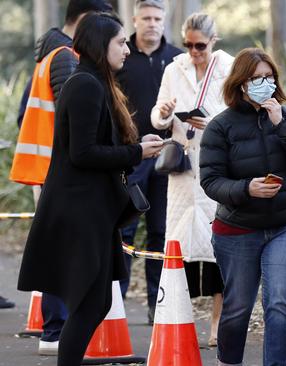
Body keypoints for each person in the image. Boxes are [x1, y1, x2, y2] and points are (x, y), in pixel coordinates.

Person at [17, 12, 164, 365]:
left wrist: (135, 147)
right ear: (101, 45)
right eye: (119, 42)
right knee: (88, 303)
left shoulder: (94, 82)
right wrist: (136, 152)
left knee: (96, 302)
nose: (126, 49)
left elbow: (94, 145)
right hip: (81, 211)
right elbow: (82, 153)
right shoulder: (85, 84)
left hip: (93, 209)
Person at [199, 47, 286, 366]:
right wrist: (246, 188)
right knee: (237, 308)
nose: (265, 83)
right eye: (257, 78)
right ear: (241, 83)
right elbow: (211, 181)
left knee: (278, 301)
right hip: (237, 229)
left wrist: (282, 124)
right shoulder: (220, 127)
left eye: (269, 77)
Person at [10, 0, 113, 355]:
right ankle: (55, 331)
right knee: (70, 270)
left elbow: (28, 112)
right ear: (88, 24)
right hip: (67, 179)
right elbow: (79, 131)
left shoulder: (48, 56)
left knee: (65, 266)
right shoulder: (69, 61)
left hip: (50, 173)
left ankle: (56, 331)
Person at [150, 12, 232, 346]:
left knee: (218, 248)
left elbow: (238, 114)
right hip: (183, 169)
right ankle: (176, 320)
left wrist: (210, 122)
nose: (194, 52)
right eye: (188, 45)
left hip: (216, 167)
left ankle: (217, 323)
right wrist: (166, 112)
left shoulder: (227, 67)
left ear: (213, 40)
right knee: (178, 246)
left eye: (200, 45)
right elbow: (156, 117)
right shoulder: (174, 68)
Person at [116, 0, 182, 325]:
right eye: (146, 18)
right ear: (135, 20)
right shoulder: (121, 55)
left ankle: (158, 305)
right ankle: (116, 301)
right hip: (131, 155)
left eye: (157, 18)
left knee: (160, 231)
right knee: (124, 227)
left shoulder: (178, 58)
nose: (152, 24)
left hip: (168, 156)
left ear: (164, 20)